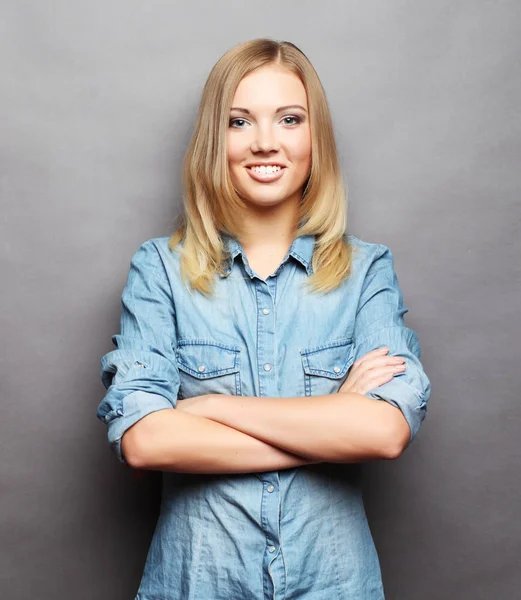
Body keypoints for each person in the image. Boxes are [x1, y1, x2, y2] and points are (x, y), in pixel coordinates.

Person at [97, 38, 431, 600]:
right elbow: (145, 441)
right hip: (196, 585)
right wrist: (331, 422)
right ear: (215, 140)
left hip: (336, 586)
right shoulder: (159, 269)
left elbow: (385, 430)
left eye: (289, 119)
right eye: (239, 121)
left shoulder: (368, 270)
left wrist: (210, 409)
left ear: (313, 138)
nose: (265, 142)